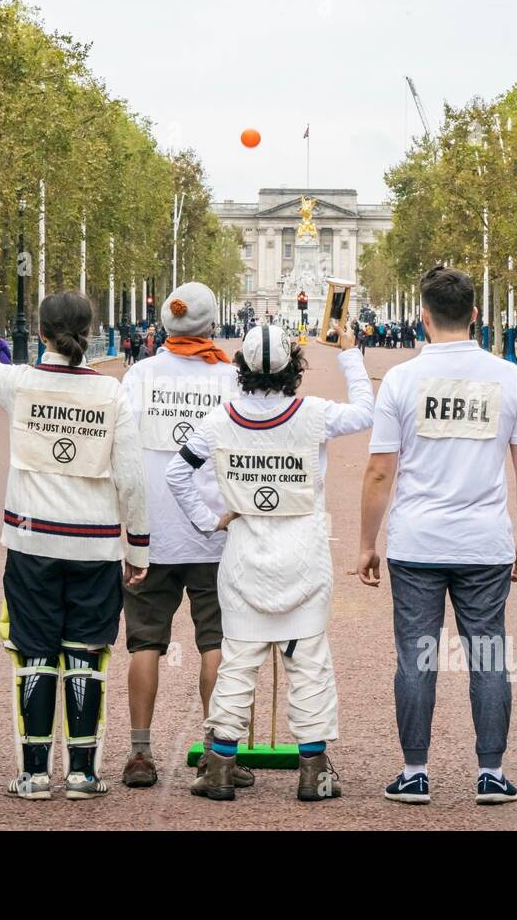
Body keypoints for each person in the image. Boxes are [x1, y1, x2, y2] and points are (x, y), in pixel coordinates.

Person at [357, 264, 517, 806]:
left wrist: (367, 542)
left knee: (416, 656)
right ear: (476, 315)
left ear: (423, 317)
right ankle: (491, 772)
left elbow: (378, 472)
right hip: (484, 541)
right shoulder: (509, 377)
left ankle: (415, 771)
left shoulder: (401, 380)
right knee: (487, 655)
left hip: (417, 541)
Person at [167, 322, 373, 803]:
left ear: (241, 369)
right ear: (292, 369)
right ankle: (314, 769)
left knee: (237, 663)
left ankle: (219, 765)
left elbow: (179, 473)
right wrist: (349, 355)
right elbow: (367, 412)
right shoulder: (314, 413)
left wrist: (208, 520)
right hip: (303, 552)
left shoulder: (221, 419)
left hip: (243, 552)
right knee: (309, 666)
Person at [0, 292, 149, 801]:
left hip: (32, 542)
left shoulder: (23, 384)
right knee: (86, 655)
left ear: (43, 334)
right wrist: (138, 548)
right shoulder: (111, 394)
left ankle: (33, 773)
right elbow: (132, 481)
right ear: (88, 332)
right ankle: (82, 772)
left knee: (34, 652)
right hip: (94, 546)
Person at [118, 283, 252, 791]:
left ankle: (139, 752)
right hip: (214, 532)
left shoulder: (140, 375)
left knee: (145, 644)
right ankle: (217, 752)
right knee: (216, 643)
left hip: (150, 531)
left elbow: (123, 451)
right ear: (211, 325)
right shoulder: (230, 378)